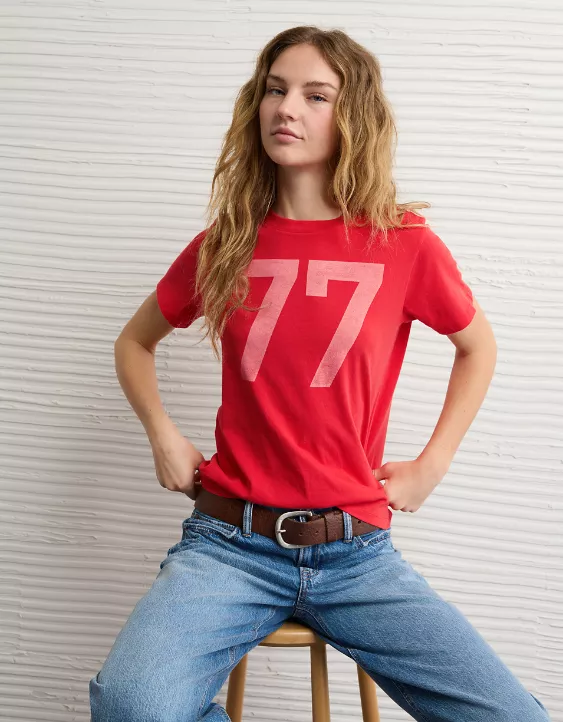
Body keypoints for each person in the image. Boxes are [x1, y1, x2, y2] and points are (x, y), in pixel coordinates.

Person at [90, 25, 551, 722]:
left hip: (357, 553)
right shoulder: (225, 244)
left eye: (315, 95)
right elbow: (134, 343)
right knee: (131, 707)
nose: (286, 108)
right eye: (275, 90)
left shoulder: (403, 244)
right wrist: (163, 435)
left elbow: (477, 346)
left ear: (352, 116)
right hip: (229, 546)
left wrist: (432, 463)